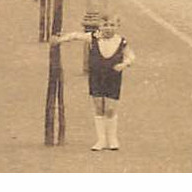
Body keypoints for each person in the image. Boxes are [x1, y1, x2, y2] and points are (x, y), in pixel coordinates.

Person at [51, 15, 136, 151]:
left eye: (112, 25)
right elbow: (75, 36)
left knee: (110, 108)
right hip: (97, 76)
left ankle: (112, 139)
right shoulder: (93, 38)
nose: (108, 28)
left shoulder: (121, 41)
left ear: (117, 26)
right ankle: (101, 140)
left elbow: (131, 56)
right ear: (100, 26)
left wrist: (124, 64)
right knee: (98, 106)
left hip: (113, 76)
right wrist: (60, 40)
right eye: (105, 25)